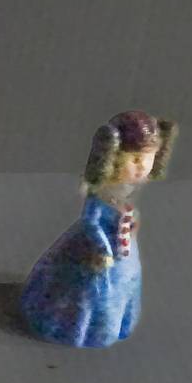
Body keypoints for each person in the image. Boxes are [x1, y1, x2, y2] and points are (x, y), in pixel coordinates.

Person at [20, 111, 178, 347]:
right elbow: (90, 221)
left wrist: (131, 220)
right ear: (113, 158)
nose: (143, 167)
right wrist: (101, 249)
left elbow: (125, 207)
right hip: (97, 251)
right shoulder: (102, 194)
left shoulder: (125, 189)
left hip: (122, 250)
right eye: (135, 160)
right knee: (89, 294)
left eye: (149, 159)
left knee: (123, 283)